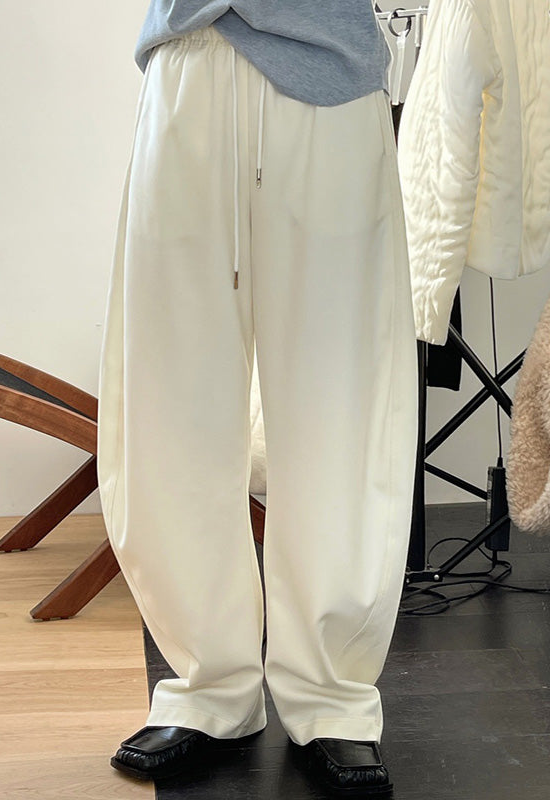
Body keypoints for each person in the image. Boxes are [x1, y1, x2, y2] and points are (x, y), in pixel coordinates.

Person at [96, 1, 419, 796]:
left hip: (328, 72)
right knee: (172, 399)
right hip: (187, 60)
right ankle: (209, 687)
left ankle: (331, 696)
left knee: (339, 396)